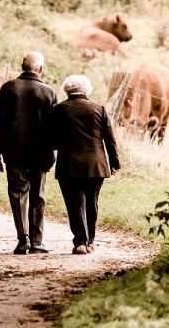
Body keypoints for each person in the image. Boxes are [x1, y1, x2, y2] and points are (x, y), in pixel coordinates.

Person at [0, 51, 58, 255]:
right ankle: (37, 242)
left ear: (22, 66)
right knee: (38, 196)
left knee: (18, 194)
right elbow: (54, 128)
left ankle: (23, 239)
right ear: (41, 69)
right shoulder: (49, 92)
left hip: (14, 152)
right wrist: (53, 149)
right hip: (41, 153)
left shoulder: (9, 89)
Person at [51, 75, 121, 255]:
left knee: (74, 204)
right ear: (86, 90)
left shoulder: (58, 110)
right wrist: (115, 163)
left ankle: (80, 242)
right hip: (96, 164)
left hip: (69, 164)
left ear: (66, 90)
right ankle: (90, 241)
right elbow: (110, 140)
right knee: (92, 202)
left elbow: (51, 140)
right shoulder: (99, 109)